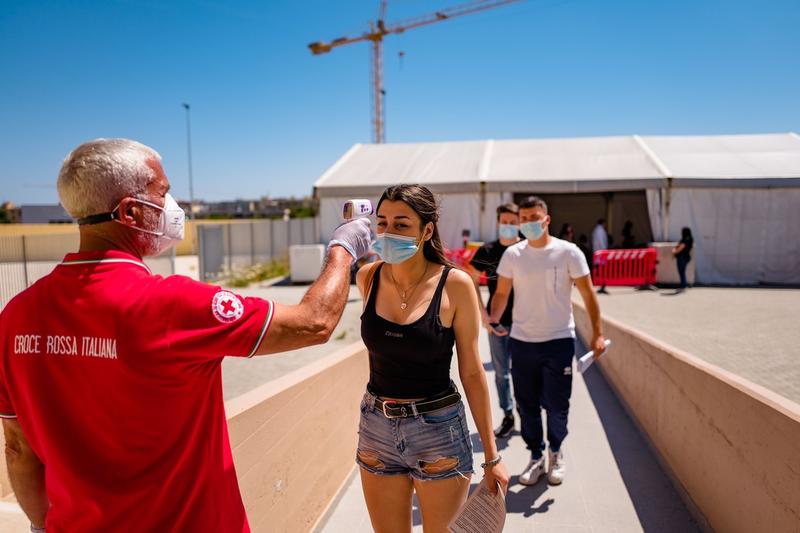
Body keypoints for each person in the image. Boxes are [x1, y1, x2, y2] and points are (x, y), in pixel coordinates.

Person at [0, 139, 372, 532]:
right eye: (163, 192)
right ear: (130, 212)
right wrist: (343, 249)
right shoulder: (172, 303)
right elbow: (313, 323)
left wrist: (45, 526)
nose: (173, 205)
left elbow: (17, 446)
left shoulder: (16, 316)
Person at [355, 184, 510, 532]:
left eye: (401, 224)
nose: (388, 232)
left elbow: (472, 372)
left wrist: (492, 456)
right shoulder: (367, 277)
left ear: (427, 230)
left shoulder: (455, 285)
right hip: (376, 428)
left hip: (438, 430)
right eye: (382, 223)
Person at [489, 196, 605, 487]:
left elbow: (589, 295)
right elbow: (501, 293)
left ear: (546, 219)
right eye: (524, 218)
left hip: (558, 341)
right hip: (522, 341)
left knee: (556, 405)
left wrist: (597, 333)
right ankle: (536, 456)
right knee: (526, 405)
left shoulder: (569, 253)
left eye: (534, 217)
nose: (528, 223)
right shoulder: (513, 255)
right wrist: (494, 319)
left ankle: (556, 451)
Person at [467, 203, 521, 439]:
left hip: (525, 323)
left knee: (524, 372)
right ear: (498, 222)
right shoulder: (487, 250)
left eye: (513, 222)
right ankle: (508, 415)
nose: (508, 226)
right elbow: (470, 279)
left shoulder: (527, 249)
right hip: (497, 322)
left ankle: (527, 414)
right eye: (504, 222)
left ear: (519, 223)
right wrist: (483, 315)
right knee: (501, 373)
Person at [672, 227, 694, 292]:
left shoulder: (685, 239)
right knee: (682, 271)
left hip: (682, 257)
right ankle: (683, 284)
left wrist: (674, 252)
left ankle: (683, 285)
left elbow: (681, 247)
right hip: (686, 257)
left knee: (681, 271)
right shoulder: (690, 239)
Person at [592, 218, 609, 294]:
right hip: (601, 254)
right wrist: (605, 252)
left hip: (598, 253)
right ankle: (602, 284)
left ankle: (601, 284)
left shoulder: (596, 230)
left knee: (599, 269)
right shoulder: (600, 231)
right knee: (601, 270)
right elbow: (601, 242)